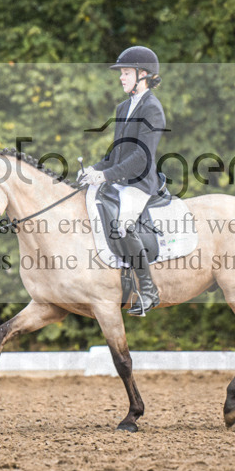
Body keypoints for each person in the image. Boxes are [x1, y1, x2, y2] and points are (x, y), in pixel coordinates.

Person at [77, 46, 166, 316]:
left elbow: (141, 156)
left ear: (143, 75)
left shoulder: (153, 109)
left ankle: (149, 291)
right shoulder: (123, 107)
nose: (121, 78)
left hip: (139, 183)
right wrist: (93, 169)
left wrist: (106, 175)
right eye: (122, 73)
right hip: (119, 180)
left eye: (126, 73)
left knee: (123, 224)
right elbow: (116, 153)